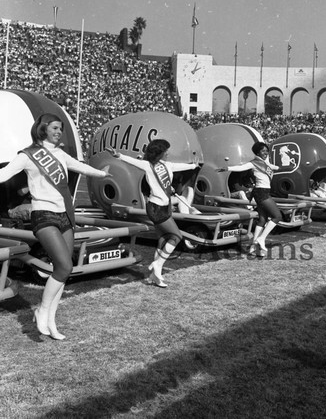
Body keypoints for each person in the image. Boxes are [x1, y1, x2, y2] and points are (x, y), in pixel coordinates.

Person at [0, 113, 111, 340]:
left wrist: (102, 173)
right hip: (44, 216)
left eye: (61, 128)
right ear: (42, 129)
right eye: (55, 128)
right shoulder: (27, 155)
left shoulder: (60, 154)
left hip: (65, 216)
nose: (59, 132)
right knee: (63, 266)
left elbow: (81, 167)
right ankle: (41, 310)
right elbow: (3, 174)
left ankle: (50, 319)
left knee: (65, 269)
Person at [107, 139, 198, 287]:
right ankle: (158, 264)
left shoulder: (168, 165)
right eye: (166, 150)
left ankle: (155, 275)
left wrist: (194, 165)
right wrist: (118, 155)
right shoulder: (149, 166)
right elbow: (130, 161)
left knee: (163, 238)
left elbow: (181, 166)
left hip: (165, 207)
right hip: (155, 208)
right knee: (176, 236)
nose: (168, 152)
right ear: (159, 152)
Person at [219, 141, 281, 257]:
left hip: (263, 192)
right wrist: (227, 168)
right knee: (277, 216)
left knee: (262, 220)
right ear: (257, 152)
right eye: (263, 151)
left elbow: (275, 167)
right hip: (261, 192)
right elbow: (240, 167)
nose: (265, 153)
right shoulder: (254, 163)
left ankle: (252, 247)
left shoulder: (265, 163)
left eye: (267, 151)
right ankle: (261, 239)